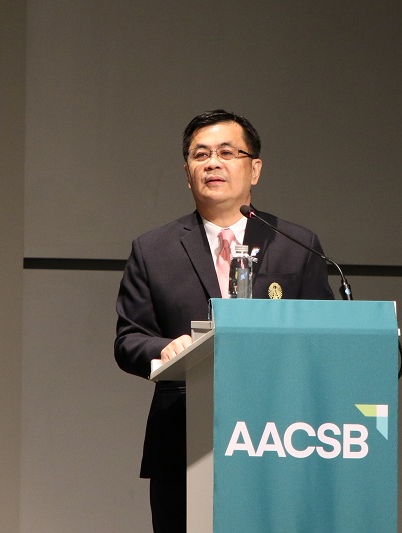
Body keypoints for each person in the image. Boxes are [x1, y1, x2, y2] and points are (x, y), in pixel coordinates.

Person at [114, 109, 334, 532]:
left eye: (227, 153)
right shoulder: (153, 249)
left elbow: (324, 337)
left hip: (281, 437)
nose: (213, 163)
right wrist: (165, 348)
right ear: (187, 173)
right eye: (201, 155)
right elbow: (128, 339)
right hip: (183, 441)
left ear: (255, 169)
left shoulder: (296, 244)